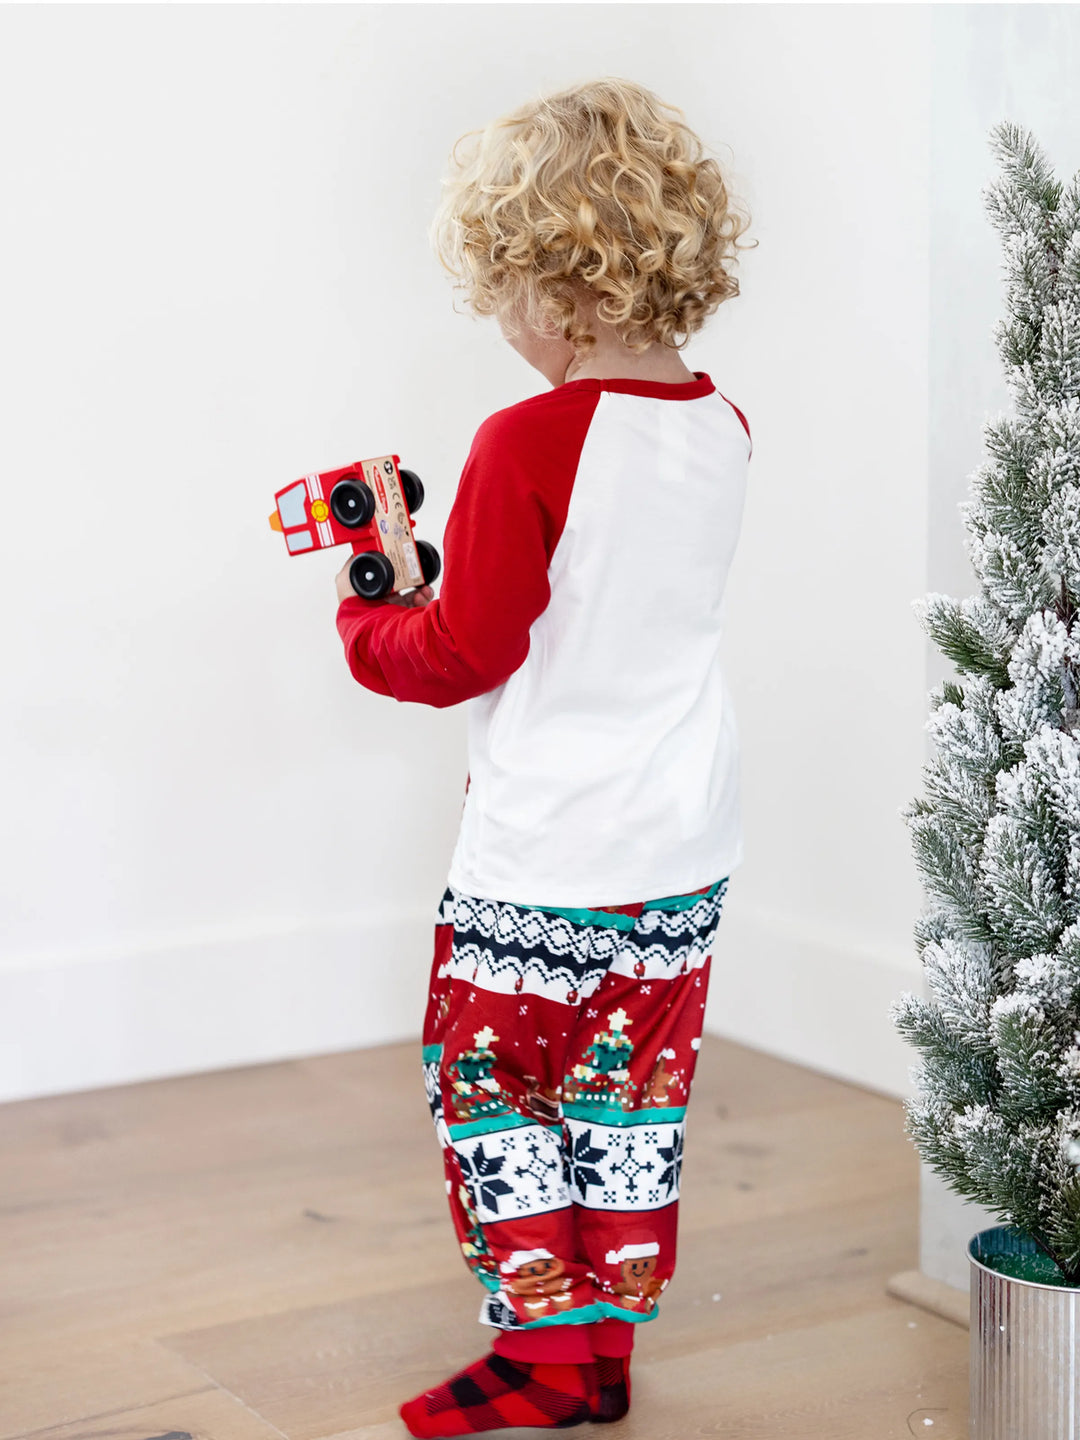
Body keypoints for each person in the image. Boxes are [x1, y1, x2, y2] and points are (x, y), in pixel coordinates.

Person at [334, 76, 754, 1438]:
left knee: (491, 1089)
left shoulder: (526, 439)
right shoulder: (719, 429)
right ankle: (602, 1349)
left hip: (550, 851)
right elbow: (597, 601)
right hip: (682, 841)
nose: (500, 321)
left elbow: (464, 653)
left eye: (503, 288)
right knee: (625, 1104)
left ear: (561, 285)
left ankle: (542, 1358)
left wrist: (368, 613)